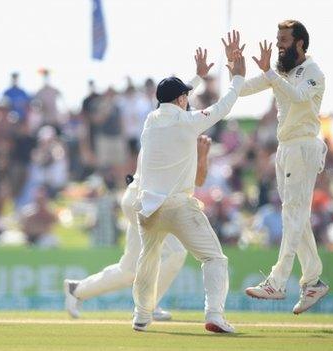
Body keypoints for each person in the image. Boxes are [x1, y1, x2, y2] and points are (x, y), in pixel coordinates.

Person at [131, 45, 245, 333]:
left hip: (148, 207)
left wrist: (196, 77)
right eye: (186, 96)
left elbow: (171, 99)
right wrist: (238, 78)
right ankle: (214, 314)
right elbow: (223, 107)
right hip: (178, 206)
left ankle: (142, 315)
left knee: (149, 259)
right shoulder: (189, 122)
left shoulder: (150, 121)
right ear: (182, 100)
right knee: (214, 258)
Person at [234, 21, 329, 314]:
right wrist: (234, 70)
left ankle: (277, 281)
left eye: (284, 40)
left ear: (300, 43)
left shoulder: (313, 72)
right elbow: (244, 90)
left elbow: (299, 97)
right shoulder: (282, 73)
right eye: (277, 40)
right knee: (296, 216)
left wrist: (271, 74)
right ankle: (313, 280)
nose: (278, 46)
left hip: (303, 146)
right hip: (285, 148)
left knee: (292, 215)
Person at [64, 134, 212, 321]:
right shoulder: (163, 135)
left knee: (128, 270)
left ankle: (76, 290)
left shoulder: (180, 136)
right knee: (176, 253)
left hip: (146, 204)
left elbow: (198, 181)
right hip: (143, 203)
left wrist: (202, 156)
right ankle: (148, 306)